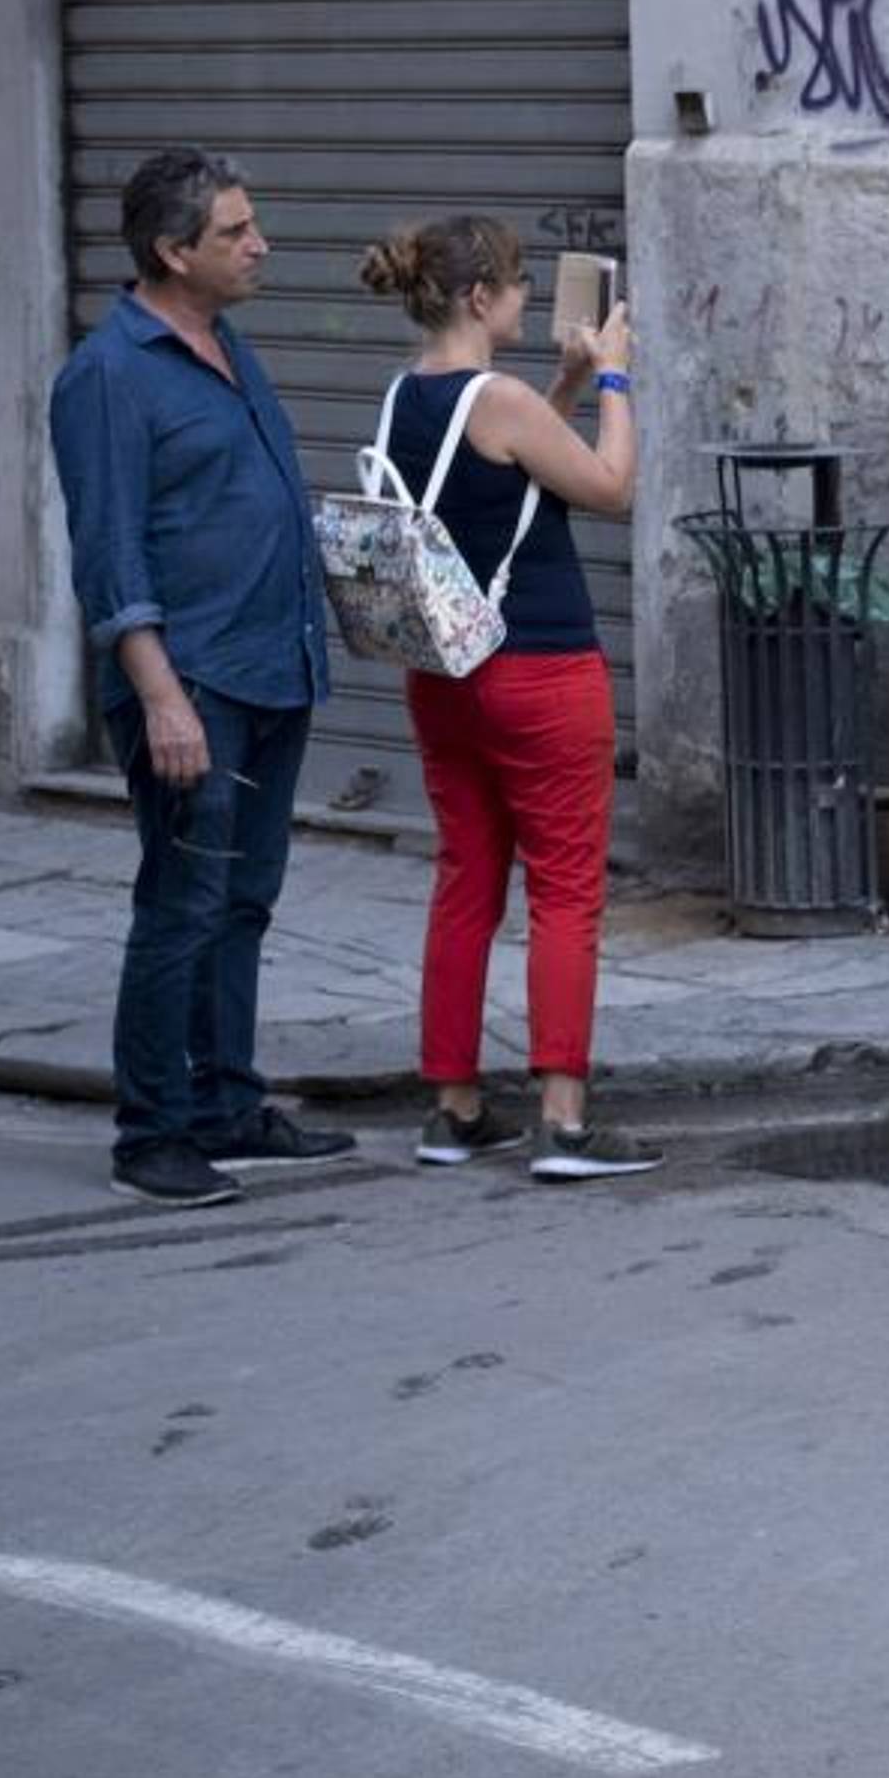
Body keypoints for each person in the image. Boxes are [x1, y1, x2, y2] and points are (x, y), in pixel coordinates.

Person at [48, 148, 349, 1207]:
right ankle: (152, 1134)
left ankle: (227, 1105)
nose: (259, 244)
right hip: (193, 685)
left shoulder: (225, 344)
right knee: (182, 902)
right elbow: (108, 554)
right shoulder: (109, 374)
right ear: (174, 252)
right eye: (234, 232)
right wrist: (161, 693)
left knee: (244, 901)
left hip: (272, 670)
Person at [358, 217, 657, 1181]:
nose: (531, 301)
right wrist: (612, 375)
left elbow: (511, 470)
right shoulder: (500, 398)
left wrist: (563, 383)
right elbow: (609, 485)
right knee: (567, 889)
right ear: (478, 298)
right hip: (539, 670)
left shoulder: (408, 393)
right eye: (521, 286)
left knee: (466, 882)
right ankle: (563, 1120)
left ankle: (453, 1106)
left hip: (444, 675)